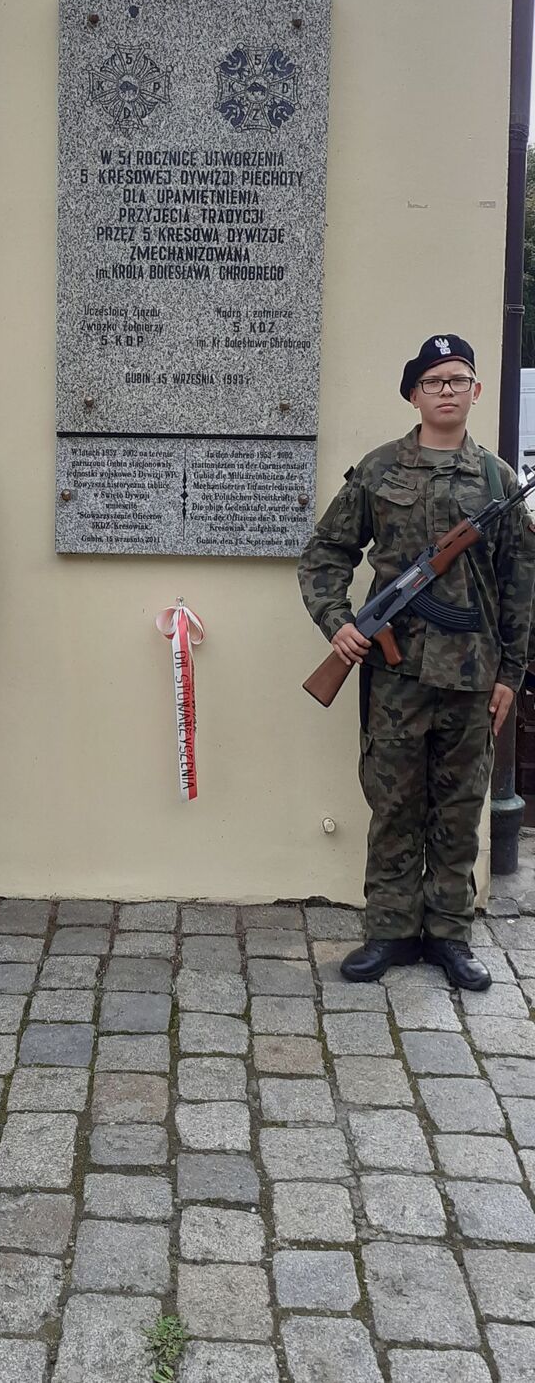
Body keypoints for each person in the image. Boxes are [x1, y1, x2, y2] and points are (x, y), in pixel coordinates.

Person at [298, 334, 535, 990]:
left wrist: (511, 674)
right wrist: (339, 623)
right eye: (435, 380)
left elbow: (520, 582)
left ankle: (450, 934)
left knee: (459, 809)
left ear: (477, 391)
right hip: (396, 677)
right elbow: (323, 554)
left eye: (460, 379)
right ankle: (389, 931)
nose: (448, 390)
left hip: (471, 677)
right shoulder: (377, 472)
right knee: (394, 803)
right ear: (414, 393)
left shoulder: (498, 482)